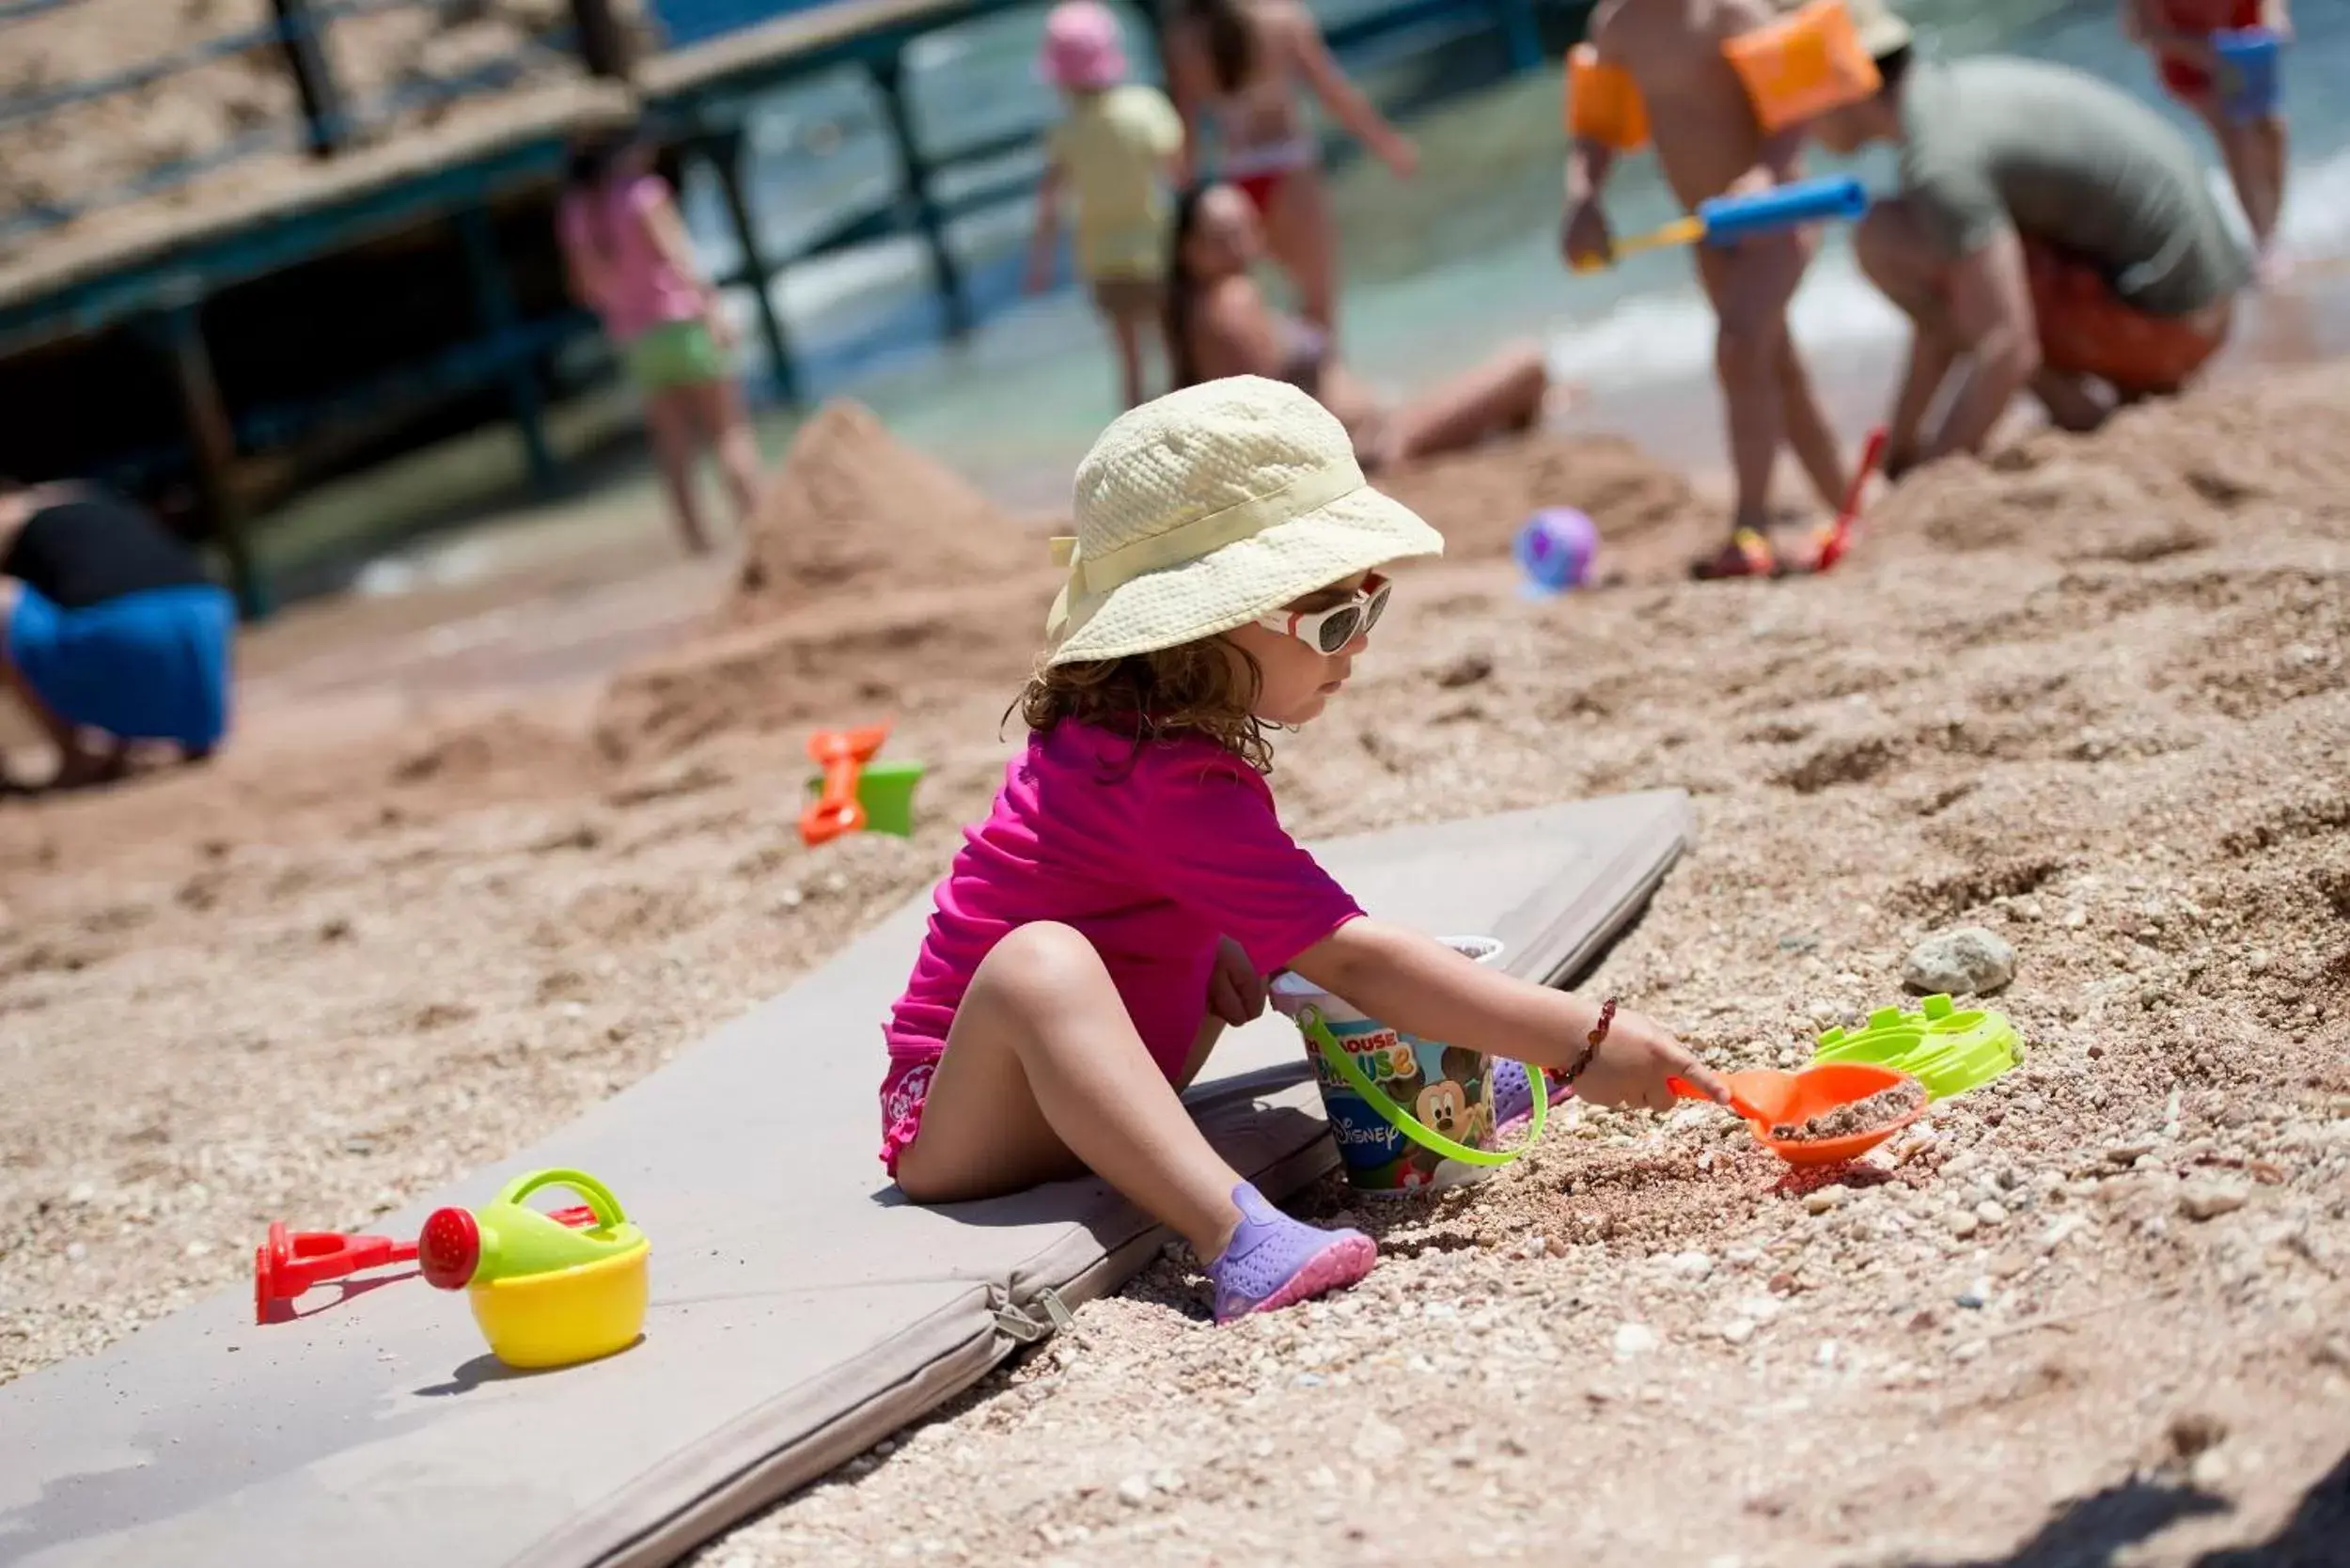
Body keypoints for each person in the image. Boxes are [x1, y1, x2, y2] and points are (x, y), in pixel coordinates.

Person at [876, 374, 1729, 1323]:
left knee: (1258, 927)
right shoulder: (1149, 775)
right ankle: (1234, 1240)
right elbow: (1353, 955)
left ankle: (1438, 1084)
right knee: (1047, 963)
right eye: (1330, 618)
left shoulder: (1163, 745)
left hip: (1097, 1076)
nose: (1356, 646)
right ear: (1200, 628)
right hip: (964, 1121)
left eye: (1371, 606)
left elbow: (1308, 937)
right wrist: (1578, 1041)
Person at [1806, 2, 2253, 476]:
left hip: (2176, 325)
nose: (1801, 125)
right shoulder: (1953, 95)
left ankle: (2079, 411)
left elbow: (2006, 348)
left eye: (1805, 101)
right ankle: (2095, 398)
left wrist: (1935, 474)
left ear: (1847, 85)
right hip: (2197, 301)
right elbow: (1942, 324)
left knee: (1886, 239)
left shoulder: (1940, 161)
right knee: (1952, 262)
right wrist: (1901, 446)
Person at [1562, 0, 1861, 580]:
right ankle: (1851, 505)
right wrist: (1584, 198)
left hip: (1777, 216)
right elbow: (1596, 125)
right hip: (1708, 230)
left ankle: (1751, 526)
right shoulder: (1617, 24)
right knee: (1777, 372)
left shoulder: (1727, 11)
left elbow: (1792, 103)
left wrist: (1768, 171)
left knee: (1740, 346)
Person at [1167, 182, 1554, 473]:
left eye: (1245, 228)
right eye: (1222, 237)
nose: (1240, 245)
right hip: (1374, 449)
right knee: (1526, 365)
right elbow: (1270, 408)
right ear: (1189, 250)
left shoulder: (1199, 314)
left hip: (1367, 444)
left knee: (1535, 390)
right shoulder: (1233, 299)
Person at [1162, 0, 1418, 343]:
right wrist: (1386, 144)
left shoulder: (1184, 36)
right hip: (1289, 167)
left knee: (1259, 309)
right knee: (1318, 304)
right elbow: (1333, 93)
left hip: (1238, 180)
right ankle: (1322, 392)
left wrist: (1184, 203)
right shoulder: (1282, 18)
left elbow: (1187, 132)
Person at [556, 130, 763, 556]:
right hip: (681, 324)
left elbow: (584, 289)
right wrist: (714, 312)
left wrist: (625, 300)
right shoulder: (643, 195)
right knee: (729, 435)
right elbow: (680, 257)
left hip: (636, 340)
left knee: (674, 450)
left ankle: (697, 546)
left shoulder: (576, 212)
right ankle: (761, 535)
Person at [0, 478, 236, 792]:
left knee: (13, 604)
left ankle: (76, 756)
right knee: (96, 606)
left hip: (125, 628)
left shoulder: (13, 521)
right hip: (207, 613)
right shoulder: (84, 496)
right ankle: (187, 736)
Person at [1026, 1, 1188, 410]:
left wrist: (1040, 266)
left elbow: (1049, 203)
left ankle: (1131, 444)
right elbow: (1179, 174)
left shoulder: (1065, 131)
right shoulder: (1145, 108)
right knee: (1173, 348)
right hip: (1154, 245)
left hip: (1101, 258)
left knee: (1129, 363)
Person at [2123, 0, 2291, 264]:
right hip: (2189, 57)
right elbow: (2142, 31)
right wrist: (2206, 52)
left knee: (2273, 128)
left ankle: (2274, 230)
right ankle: (2265, 242)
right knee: (2235, 133)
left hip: (2243, 43)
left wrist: (2275, 20)